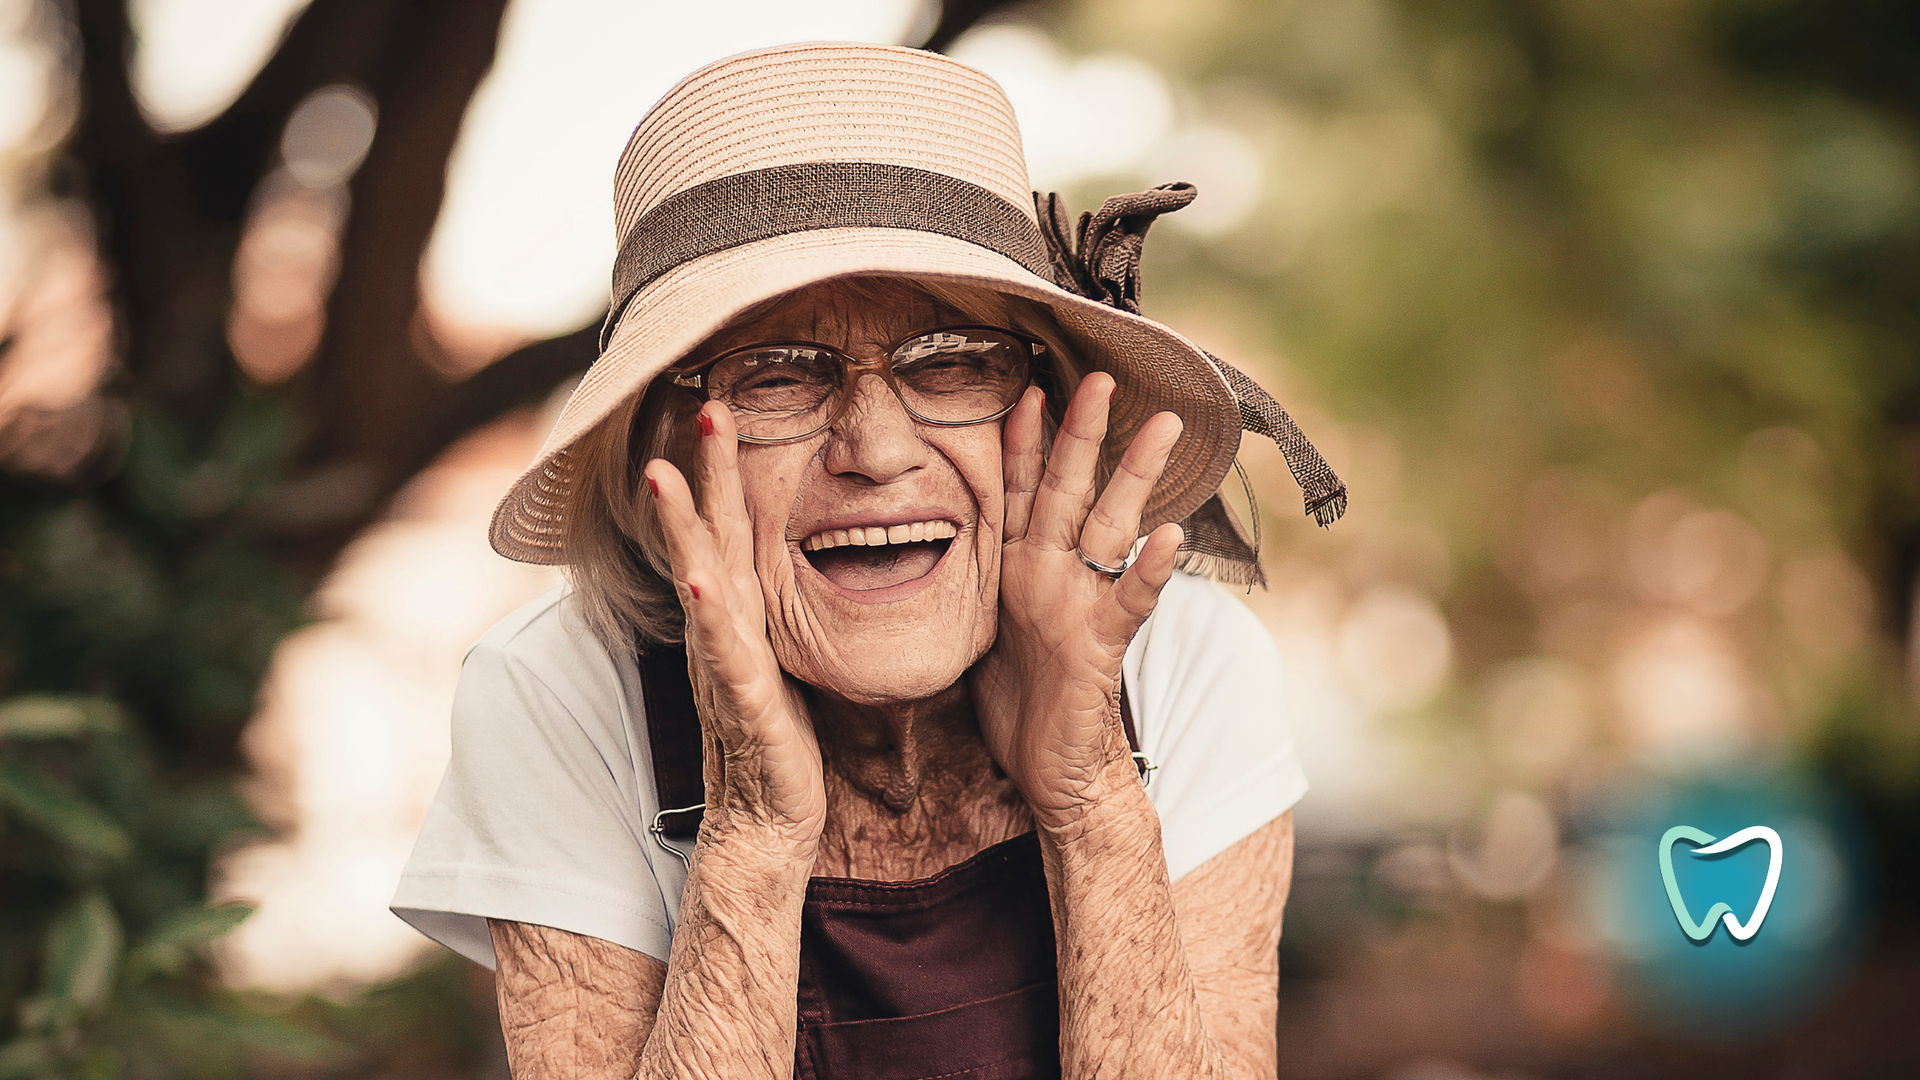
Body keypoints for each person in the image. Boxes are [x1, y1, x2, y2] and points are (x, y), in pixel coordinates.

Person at [392, 41, 1346, 1080]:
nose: (879, 453)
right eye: (775, 376)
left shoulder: (1185, 667)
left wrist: (1089, 796)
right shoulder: (563, 695)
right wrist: (753, 830)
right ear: (661, 440)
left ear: (1047, 406)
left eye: (952, 361)